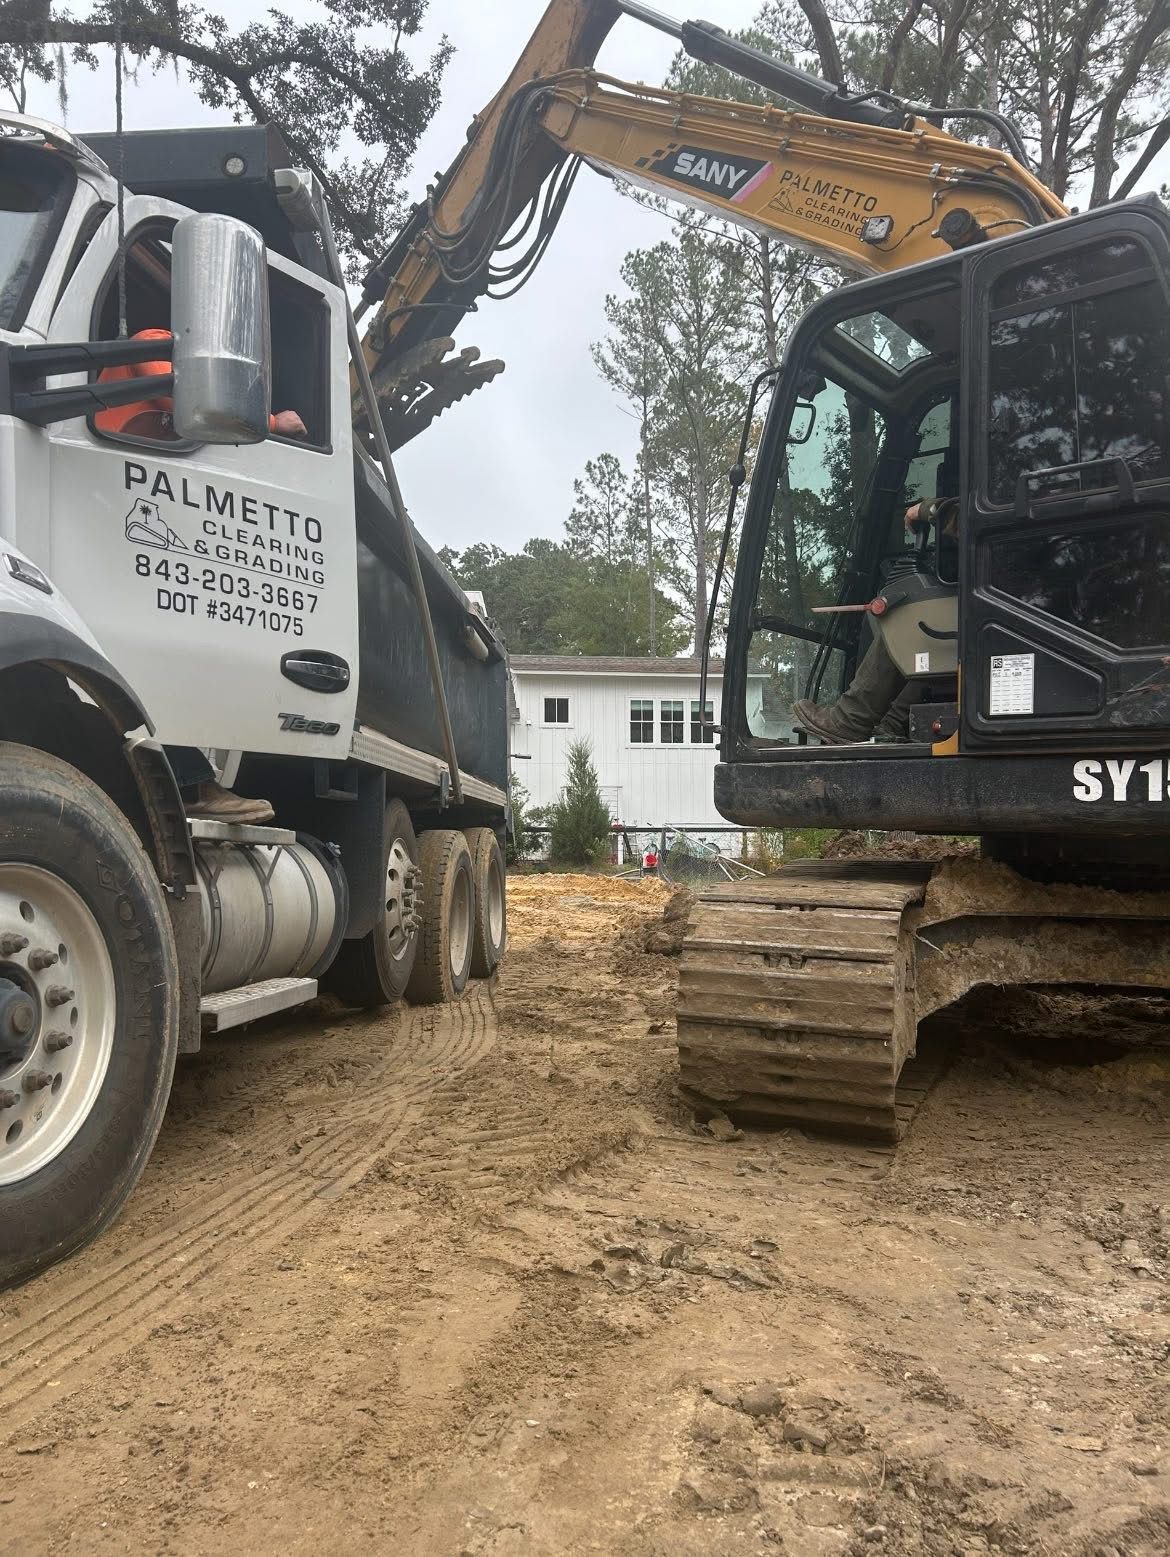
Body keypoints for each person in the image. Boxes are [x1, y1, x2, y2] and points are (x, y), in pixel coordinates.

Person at [97, 329, 302, 824]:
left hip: (117, 502)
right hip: (110, 500)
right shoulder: (155, 341)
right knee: (152, 653)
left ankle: (191, 779)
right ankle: (193, 785)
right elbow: (187, 396)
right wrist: (273, 422)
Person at [793, 497, 957, 745]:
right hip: (1001, 607)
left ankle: (850, 720)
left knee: (907, 621)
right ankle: (889, 723)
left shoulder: (1021, 491)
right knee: (929, 652)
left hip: (1000, 605)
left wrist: (929, 509)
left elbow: (981, 513)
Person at [96, 327, 307, 441]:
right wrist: (275, 424)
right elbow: (194, 406)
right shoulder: (153, 341)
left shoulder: (197, 370)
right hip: (103, 460)